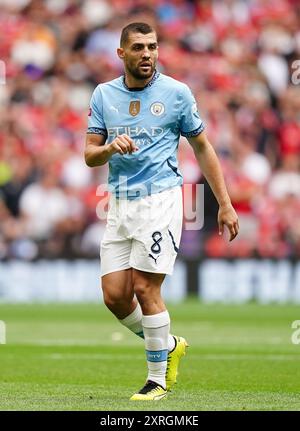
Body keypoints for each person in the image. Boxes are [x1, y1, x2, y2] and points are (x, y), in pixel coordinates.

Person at [84, 22, 239, 401]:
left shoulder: (177, 93)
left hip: (162, 200)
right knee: (115, 297)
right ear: (121, 54)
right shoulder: (104, 95)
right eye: (138, 48)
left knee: (145, 287)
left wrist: (224, 203)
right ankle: (167, 344)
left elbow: (202, 147)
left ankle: (157, 379)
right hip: (118, 203)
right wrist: (109, 150)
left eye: (152, 47)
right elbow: (90, 154)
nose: (147, 54)